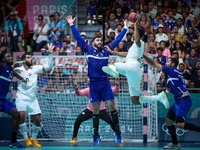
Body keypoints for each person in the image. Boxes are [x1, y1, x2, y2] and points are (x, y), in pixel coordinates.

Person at [66, 15, 128, 146]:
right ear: (93, 42)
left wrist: (126, 28)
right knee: (95, 111)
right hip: (93, 84)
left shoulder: (106, 49)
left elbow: (117, 39)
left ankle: (117, 133)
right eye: (98, 40)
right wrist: (71, 24)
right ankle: (96, 135)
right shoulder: (87, 49)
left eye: (101, 40)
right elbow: (77, 37)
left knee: (111, 107)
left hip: (105, 82)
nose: (100, 41)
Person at [102, 17, 169, 109]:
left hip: (131, 65)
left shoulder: (140, 43)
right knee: (135, 100)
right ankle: (159, 97)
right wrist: (112, 52)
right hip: (134, 72)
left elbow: (137, 39)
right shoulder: (135, 47)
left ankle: (114, 71)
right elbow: (126, 53)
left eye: (134, 33)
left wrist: (135, 25)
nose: (133, 34)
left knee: (110, 66)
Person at [143, 54, 200, 149]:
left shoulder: (171, 69)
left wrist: (143, 56)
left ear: (173, 64)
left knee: (179, 124)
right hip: (178, 101)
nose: (166, 62)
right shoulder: (172, 72)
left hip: (184, 100)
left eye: (168, 61)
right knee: (168, 121)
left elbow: (153, 63)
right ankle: (175, 143)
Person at [14, 43, 54, 147]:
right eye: (28, 58)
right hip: (21, 97)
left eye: (31, 58)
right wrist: (14, 64)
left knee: (38, 119)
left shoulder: (35, 68)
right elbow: (9, 68)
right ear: (23, 60)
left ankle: (33, 138)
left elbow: (49, 66)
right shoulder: (19, 69)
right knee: (21, 115)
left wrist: (50, 54)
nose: (30, 59)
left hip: (32, 98)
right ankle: (25, 138)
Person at [70, 79, 121, 143]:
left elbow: (115, 90)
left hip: (101, 110)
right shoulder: (89, 89)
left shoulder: (104, 89)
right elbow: (79, 93)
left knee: (111, 121)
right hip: (90, 110)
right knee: (78, 120)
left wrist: (116, 84)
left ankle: (117, 135)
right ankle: (74, 137)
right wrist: (76, 90)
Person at [0, 52, 27, 148]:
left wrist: (22, 79)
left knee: (17, 114)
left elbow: (13, 72)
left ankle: (13, 141)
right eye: (7, 56)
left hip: (3, 100)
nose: (10, 57)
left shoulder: (10, 69)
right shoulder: (1, 67)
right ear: (3, 60)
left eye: (10, 55)